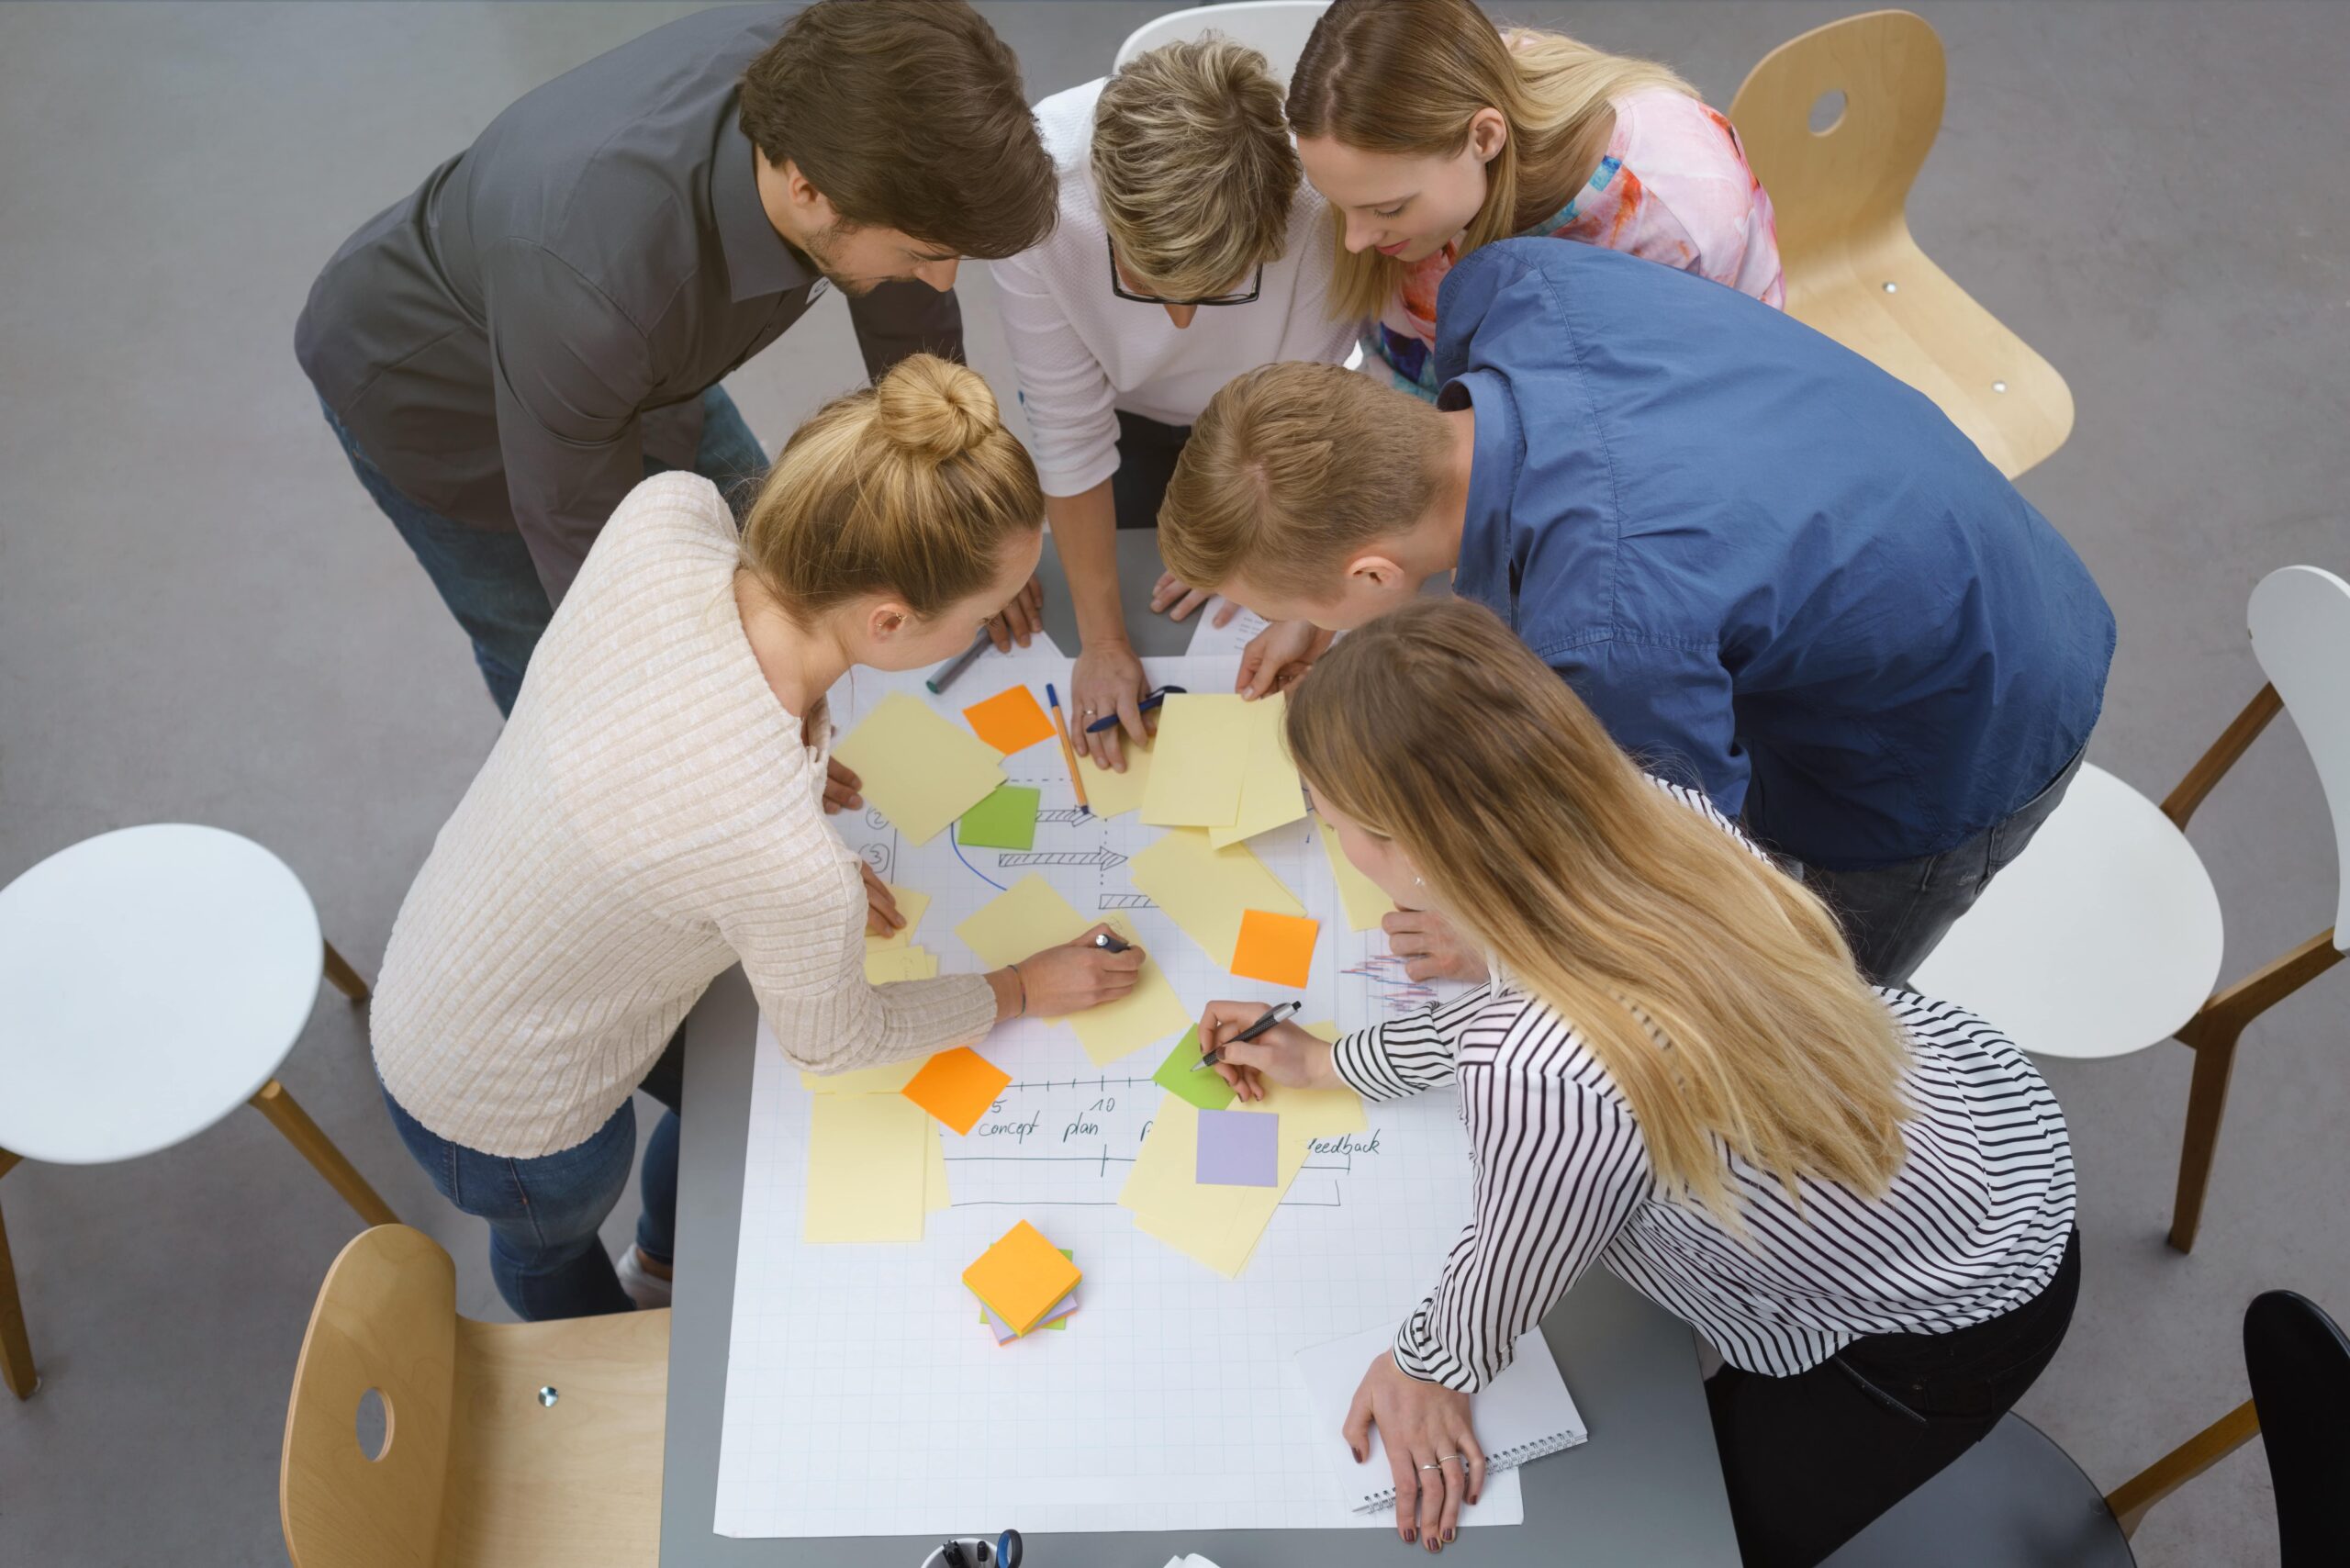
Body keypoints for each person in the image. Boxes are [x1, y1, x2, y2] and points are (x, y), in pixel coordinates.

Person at [1198, 599, 2078, 1567]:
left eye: (1329, 821)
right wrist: (1330, 1060)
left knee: (1713, 1536)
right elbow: (1531, 1000)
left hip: (1946, 1312)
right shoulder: (1642, 807)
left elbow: (1512, 1254)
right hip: (1983, 1126)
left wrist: (1425, 1369)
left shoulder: (1540, 1072)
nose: (1327, 837)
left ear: (1408, 847)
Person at [369, 357, 1144, 1321]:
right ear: (889, 622)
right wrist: (1021, 985)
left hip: (466, 936)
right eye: (986, 616)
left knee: (721, 1103)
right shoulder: (782, 858)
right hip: (498, 1100)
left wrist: (792, 767)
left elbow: (656, 706)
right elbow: (839, 1045)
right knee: (548, 1245)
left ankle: (660, 1260)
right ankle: (601, 1337)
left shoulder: (669, 515)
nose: (1000, 626)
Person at [1156, 240, 2114, 984]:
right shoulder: (1512, 286)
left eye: (1261, 603)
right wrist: (1315, 600)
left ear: (1370, 576)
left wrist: (1506, 943)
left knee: (1813, 991)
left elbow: (1692, 891)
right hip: (1958, 536)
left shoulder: (1607, 640)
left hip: (1968, 728)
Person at [297, 0, 1057, 726]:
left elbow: (904, 295)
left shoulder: (848, 88)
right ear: (810, 190)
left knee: (780, 575)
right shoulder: (598, 288)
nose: (946, 278)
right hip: (435, 399)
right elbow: (595, 575)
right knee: (554, 663)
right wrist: (743, 751)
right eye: (926, 253)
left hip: (627, 363)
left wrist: (969, 532)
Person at [989, 36, 1358, 771]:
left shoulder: (1318, 199)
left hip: (1270, 417)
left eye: (1217, 288)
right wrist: (1103, 644)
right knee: (1120, 572)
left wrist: (1225, 535)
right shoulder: (1037, 194)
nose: (1181, 323)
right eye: (1149, 285)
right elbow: (1068, 432)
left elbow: (1299, 412)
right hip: (1122, 413)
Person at [1285, 0, 1781, 400]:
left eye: (1388, 209)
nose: (1354, 241)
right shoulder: (1441, 90)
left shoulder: (1674, 218)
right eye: (1339, 204)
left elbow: (1663, 412)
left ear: (1484, 138)